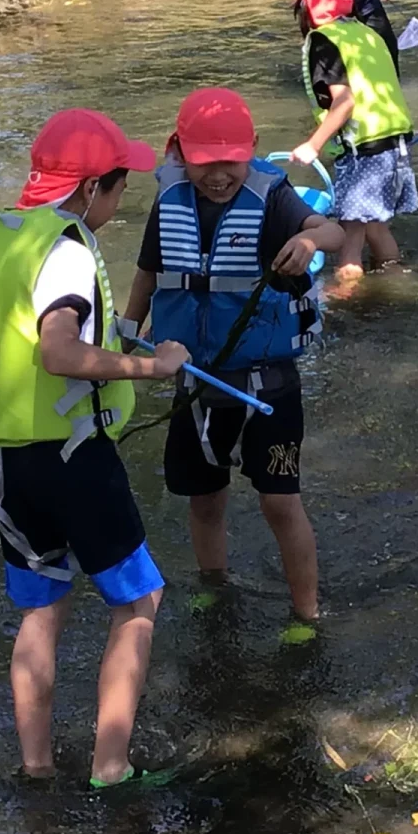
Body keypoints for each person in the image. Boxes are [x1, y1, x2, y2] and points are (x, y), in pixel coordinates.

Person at [0, 108, 186, 788]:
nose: (119, 200)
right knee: (139, 602)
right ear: (88, 190)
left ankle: (37, 768)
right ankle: (111, 766)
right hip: (75, 458)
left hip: (9, 465)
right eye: (117, 188)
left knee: (41, 610)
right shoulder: (68, 248)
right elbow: (57, 351)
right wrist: (152, 367)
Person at [124, 87, 343, 638]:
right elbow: (150, 274)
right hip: (196, 384)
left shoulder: (270, 198)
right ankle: (213, 583)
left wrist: (311, 242)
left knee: (279, 502)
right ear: (178, 153)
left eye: (231, 161)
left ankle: (306, 613)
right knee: (204, 498)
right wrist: (125, 336)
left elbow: (334, 231)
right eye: (204, 163)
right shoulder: (170, 199)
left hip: (267, 387)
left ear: (252, 151)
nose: (219, 174)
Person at [290, 0, 418, 282]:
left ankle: (345, 297)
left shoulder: (324, 41)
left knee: (350, 235)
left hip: (364, 150)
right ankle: (396, 278)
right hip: (395, 143)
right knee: (373, 225)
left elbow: (344, 102)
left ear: (307, 7)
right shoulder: (365, 32)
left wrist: (313, 145)